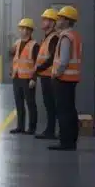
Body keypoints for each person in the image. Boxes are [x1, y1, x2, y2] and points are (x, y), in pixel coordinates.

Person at [50, 5, 82, 151]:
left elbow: (63, 61)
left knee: (63, 111)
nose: (58, 20)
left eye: (60, 18)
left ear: (67, 21)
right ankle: (72, 140)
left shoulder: (66, 37)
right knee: (70, 110)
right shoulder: (74, 35)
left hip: (63, 79)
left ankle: (65, 142)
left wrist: (56, 73)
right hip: (71, 79)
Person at [33, 9, 61, 140]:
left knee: (51, 105)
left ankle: (51, 131)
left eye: (45, 19)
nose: (43, 22)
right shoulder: (47, 37)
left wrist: (38, 68)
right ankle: (50, 130)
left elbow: (51, 59)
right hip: (45, 76)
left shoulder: (54, 38)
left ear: (52, 23)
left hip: (49, 77)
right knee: (49, 105)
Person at [10, 18, 40, 135]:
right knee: (19, 103)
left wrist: (34, 78)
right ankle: (20, 127)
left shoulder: (34, 45)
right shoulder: (17, 43)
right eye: (22, 28)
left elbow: (37, 64)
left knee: (30, 103)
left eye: (27, 29)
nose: (24, 31)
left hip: (28, 79)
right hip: (16, 77)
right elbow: (14, 58)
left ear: (31, 31)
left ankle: (32, 128)